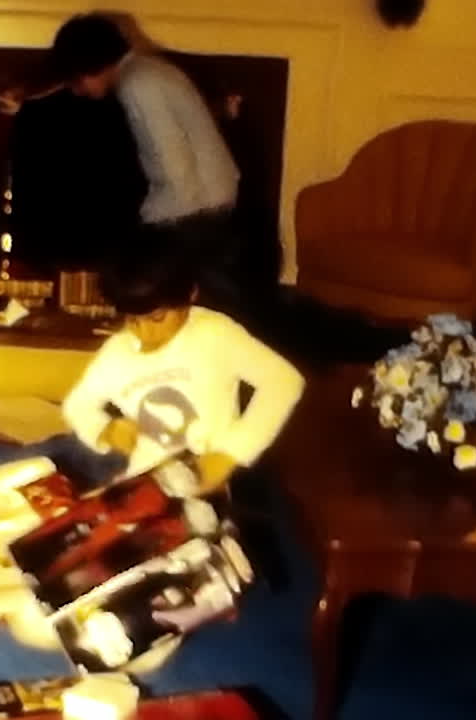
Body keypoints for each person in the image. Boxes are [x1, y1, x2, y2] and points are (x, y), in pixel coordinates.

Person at [46, 13, 252, 323]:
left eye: (75, 80)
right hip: (210, 207)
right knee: (214, 316)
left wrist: (145, 228)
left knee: (177, 306)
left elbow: (174, 166)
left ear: (90, 65)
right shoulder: (152, 72)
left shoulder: (138, 85)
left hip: (195, 215)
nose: (78, 90)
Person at [61, 243, 305, 497]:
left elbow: (284, 381)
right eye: (132, 320)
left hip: (207, 493)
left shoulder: (213, 332)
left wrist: (231, 452)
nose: (146, 332)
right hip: (141, 488)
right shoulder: (116, 351)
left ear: (190, 295)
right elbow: (77, 405)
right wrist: (105, 429)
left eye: (157, 318)